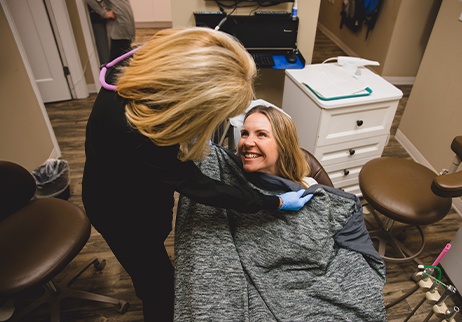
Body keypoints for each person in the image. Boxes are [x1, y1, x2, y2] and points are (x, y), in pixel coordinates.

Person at [82, 27, 313, 321]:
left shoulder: (144, 68)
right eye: (245, 133)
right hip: (119, 211)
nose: (247, 141)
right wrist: (274, 202)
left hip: (131, 183)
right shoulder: (137, 134)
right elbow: (198, 185)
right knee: (158, 288)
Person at [173, 104, 387, 321]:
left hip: (308, 287)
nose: (247, 142)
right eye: (245, 133)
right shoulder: (224, 174)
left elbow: (348, 253)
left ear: (283, 145)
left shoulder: (311, 193)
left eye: (261, 134)